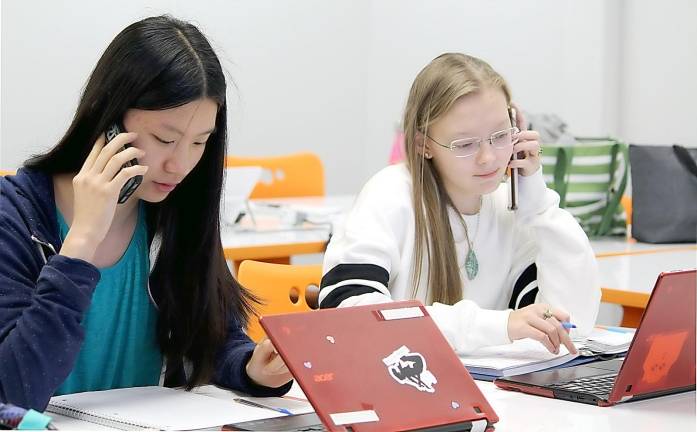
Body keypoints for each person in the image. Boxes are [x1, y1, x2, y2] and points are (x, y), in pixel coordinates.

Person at [0, 16, 292, 411]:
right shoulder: (16, 217)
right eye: (165, 139)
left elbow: (211, 335)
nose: (180, 164)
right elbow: (13, 392)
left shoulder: (172, 213)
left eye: (199, 142)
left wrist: (250, 366)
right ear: (109, 119)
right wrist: (81, 240)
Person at [319, 53, 600, 355]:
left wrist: (540, 206)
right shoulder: (390, 195)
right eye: (465, 144)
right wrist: (499, 326)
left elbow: (572, 328)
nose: (488, 157)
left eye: (501, 136)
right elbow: (348, 315)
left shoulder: (513, 208)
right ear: (422, 144)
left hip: (492, 394)